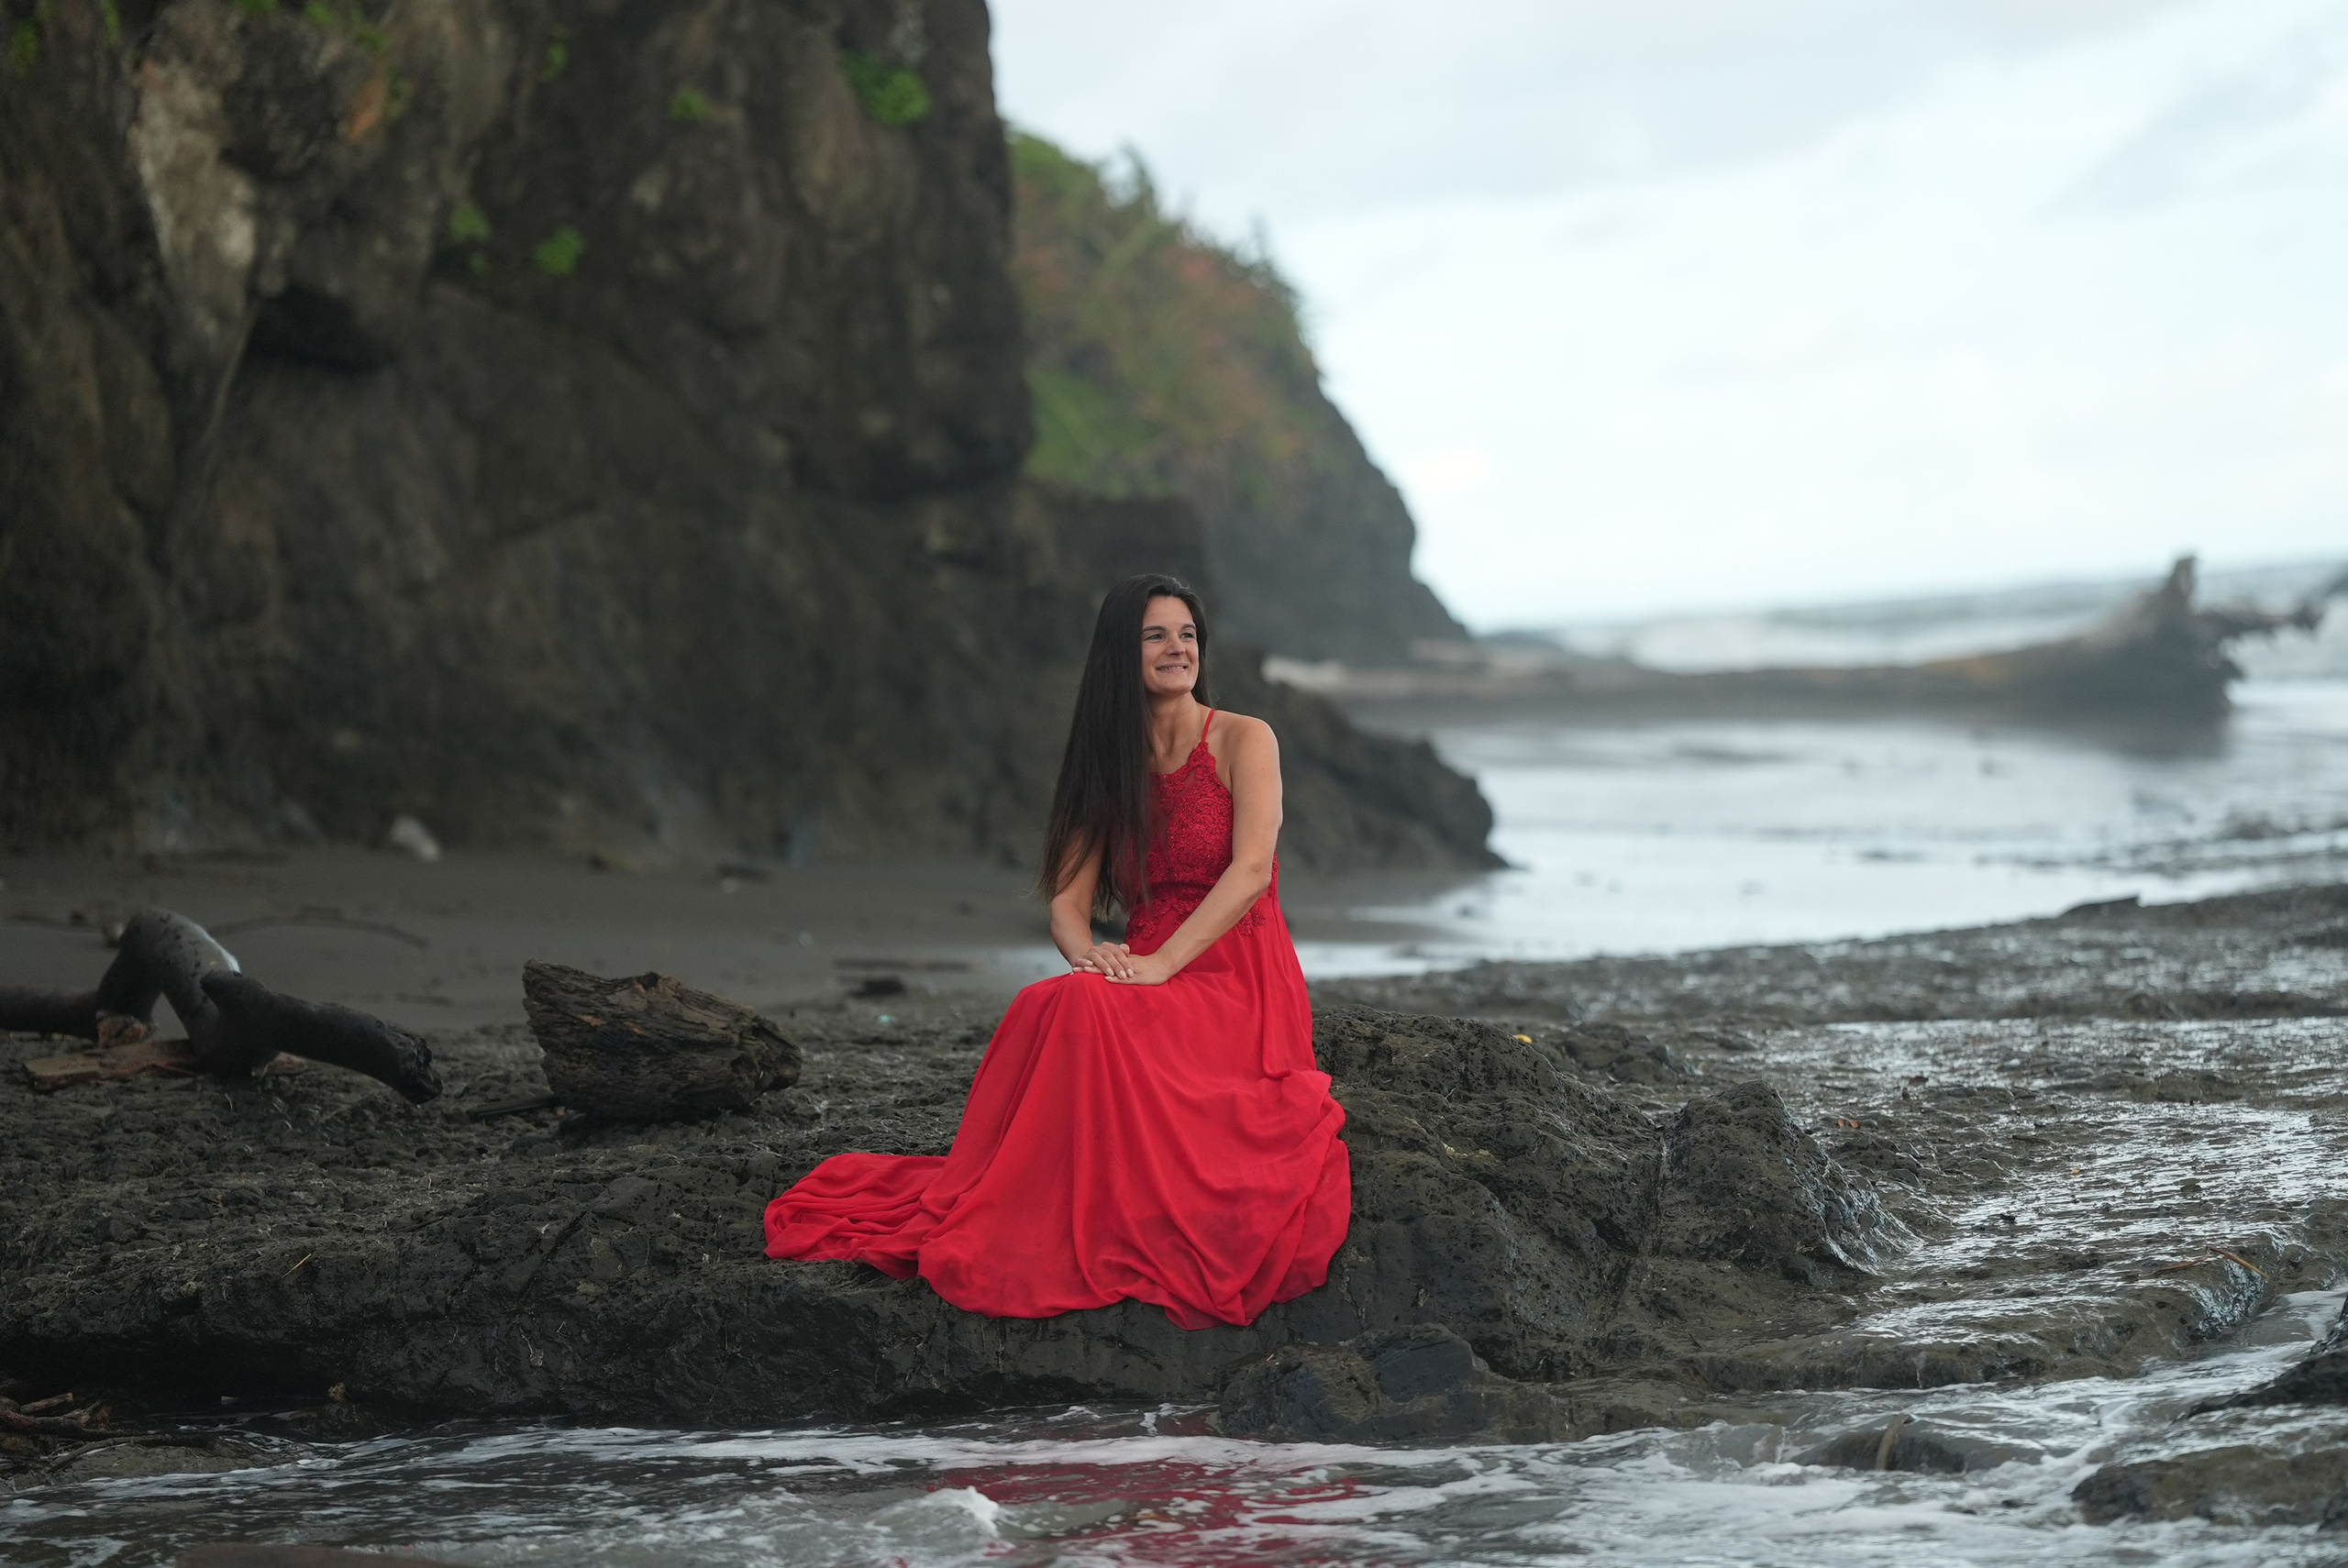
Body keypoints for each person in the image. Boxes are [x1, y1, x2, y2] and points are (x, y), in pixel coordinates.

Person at [761, 574, 1351, 1329]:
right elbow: (1069, 906)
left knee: (1085, 1009)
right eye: (1156, 636)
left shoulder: (1244, 738)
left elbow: (1251, 872)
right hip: (1143, 971)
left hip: (1237, 978)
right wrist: (1094, 957)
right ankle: (1030, 1196)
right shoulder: (1108, 766)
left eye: (1187, 635)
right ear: (1120, 653)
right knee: (1052, 998)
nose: (1178, 649)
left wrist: (1161, 965)